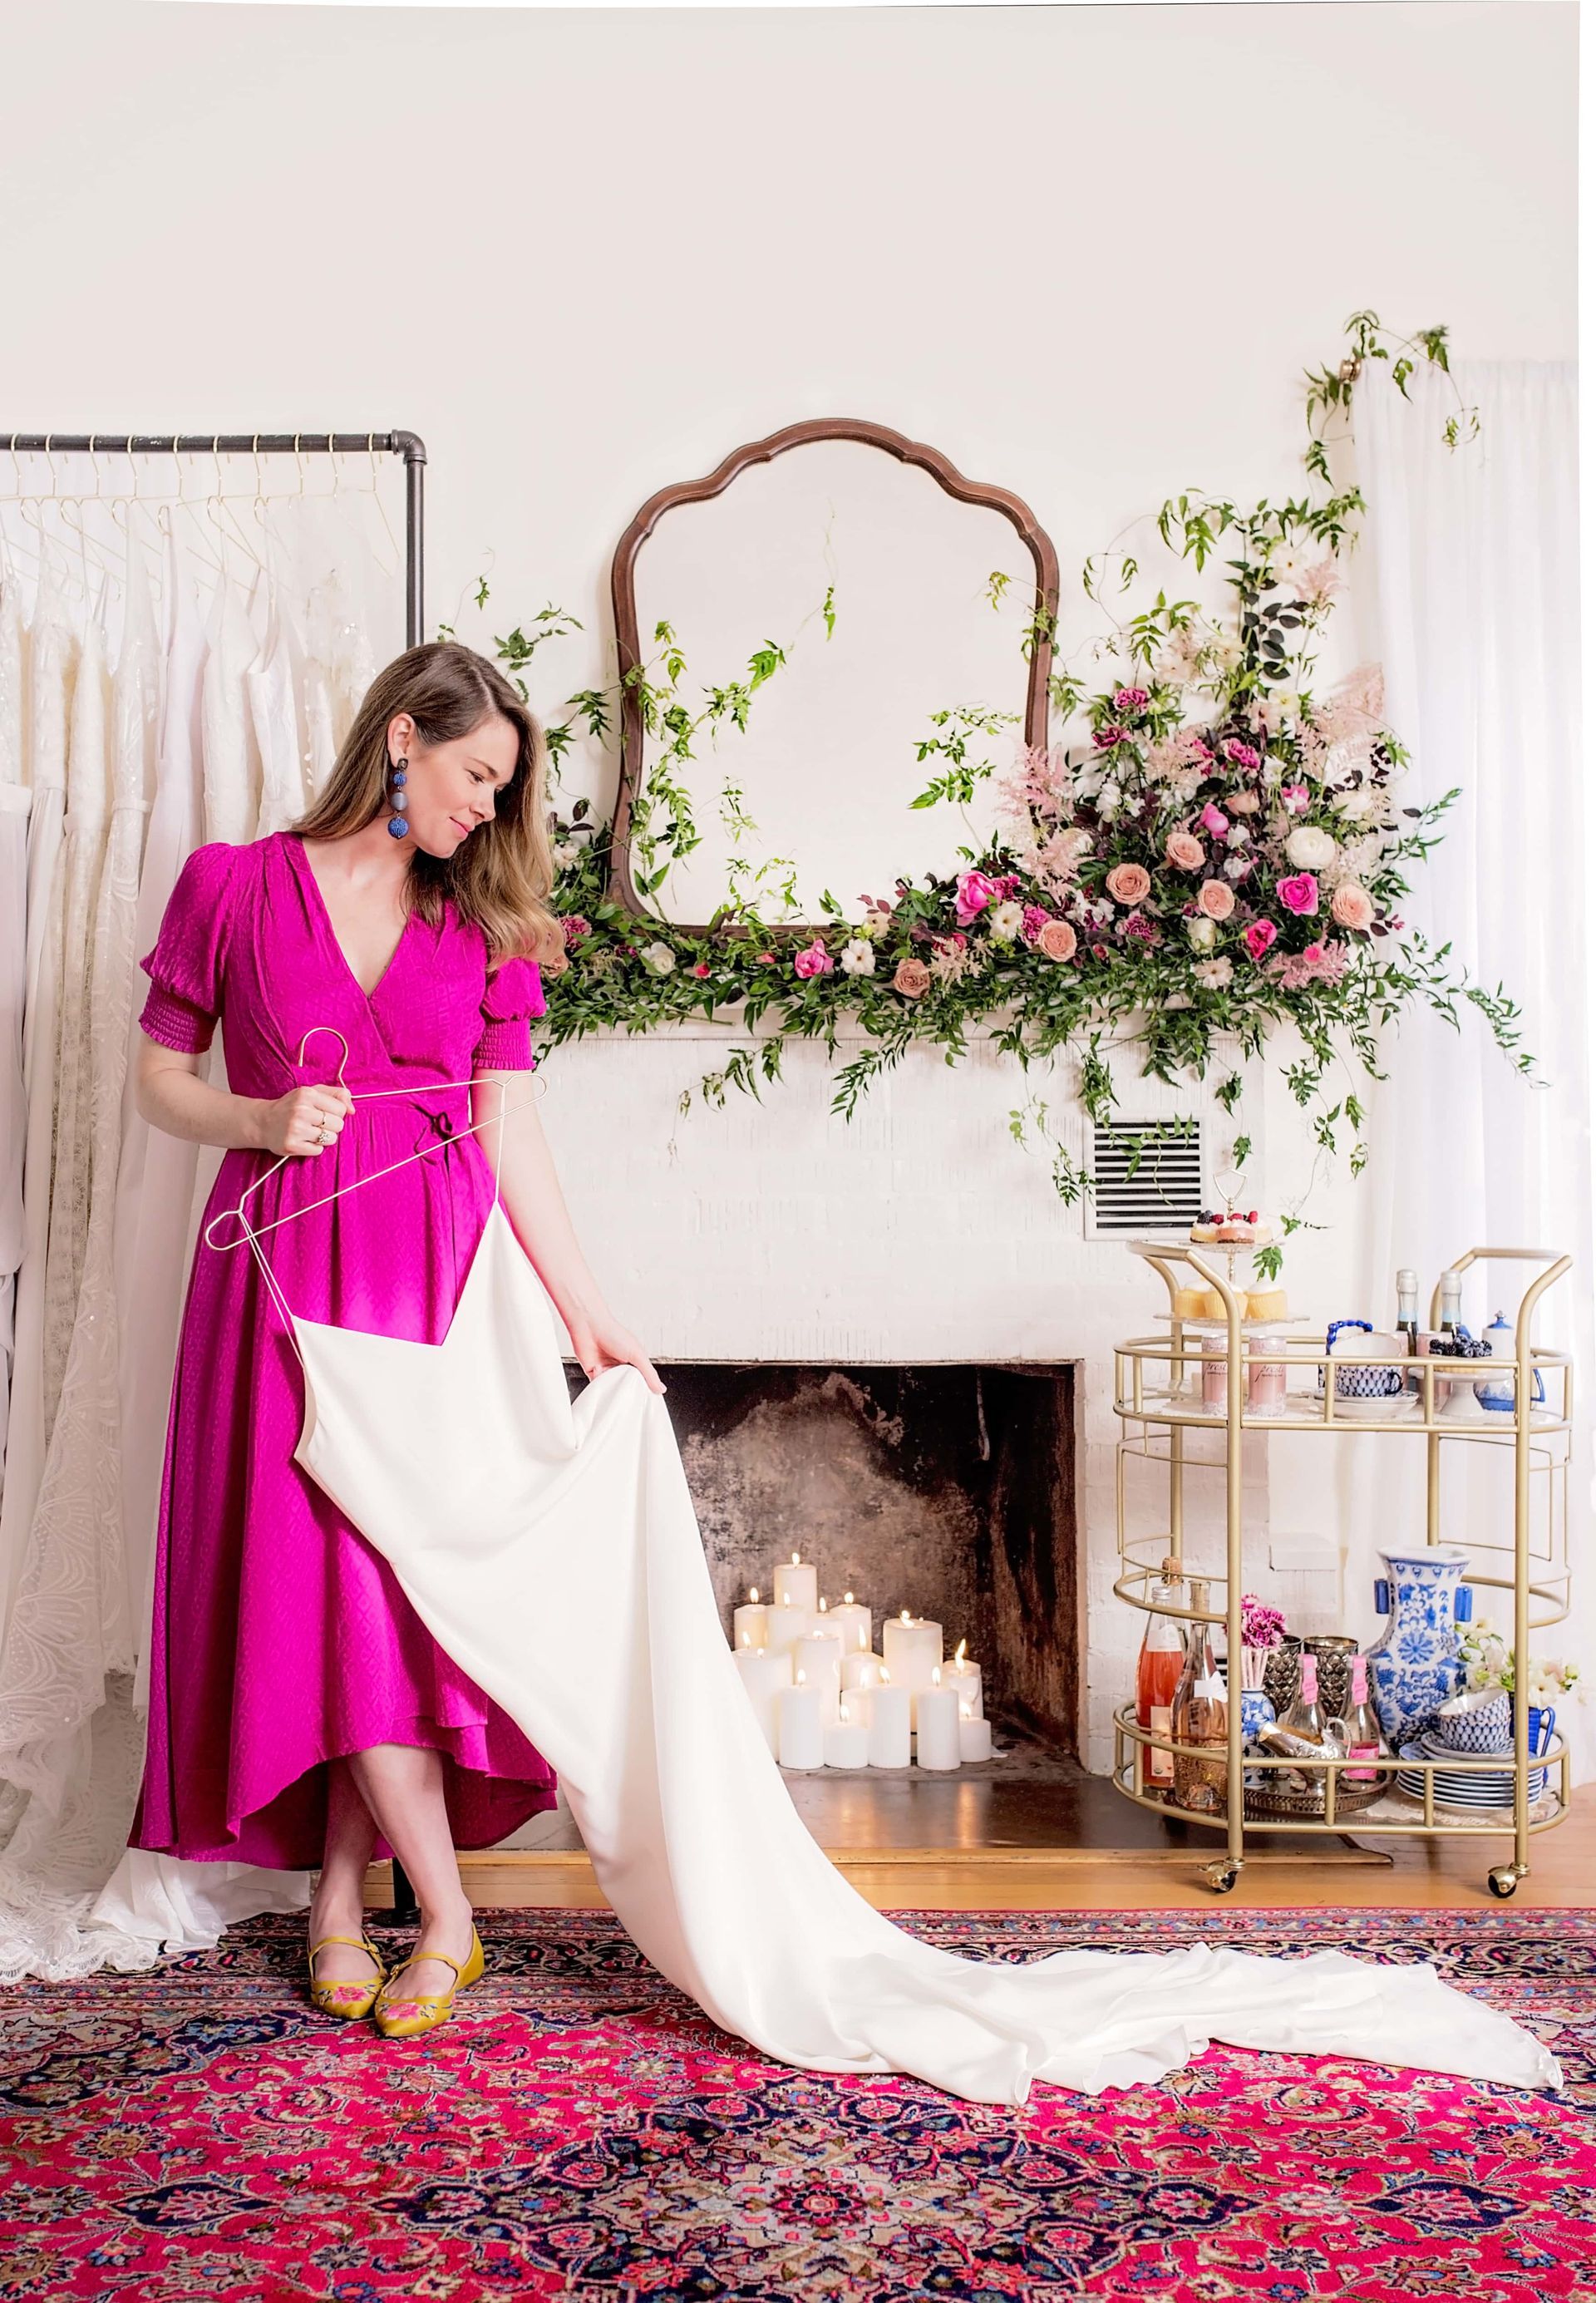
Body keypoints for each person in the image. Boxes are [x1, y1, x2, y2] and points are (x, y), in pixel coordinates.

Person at [129, 641, 663, 2038]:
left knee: (391, 1585)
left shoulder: (476, 923)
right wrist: (258, 1120)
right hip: (277, 1284)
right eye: (477, 774)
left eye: (503, 787)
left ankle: (355, 1897)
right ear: (401, 744)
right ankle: (430, 1909)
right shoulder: (230, 886)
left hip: (433, 1291)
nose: (487, 808)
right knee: (316, 1584)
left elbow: (510, 1122)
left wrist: (586, 1310)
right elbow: (157, 1082)